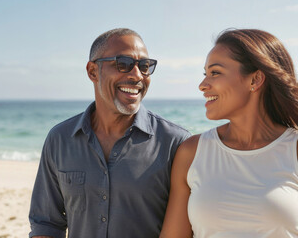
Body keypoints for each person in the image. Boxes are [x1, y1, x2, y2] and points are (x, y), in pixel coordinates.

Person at [29, 28, 190, 238]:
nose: (137, 75)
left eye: (144, 66)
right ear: (93, 71)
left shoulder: (175, 143)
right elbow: (46, 224)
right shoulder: (59, 139)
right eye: (123, 64)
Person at [160, 28, 298, 238]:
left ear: (255, 80)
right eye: (205, 74)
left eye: (215, 73)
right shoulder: (192, 152)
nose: (202, 85)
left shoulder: (294, 149)